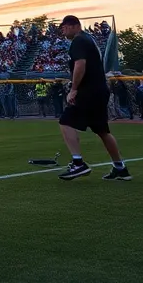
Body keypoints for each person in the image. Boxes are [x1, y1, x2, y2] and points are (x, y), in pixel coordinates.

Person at [55, 15, 130, 181]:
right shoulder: (89, 39)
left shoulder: (79, 40)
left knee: (65, 122)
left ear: (74, 26)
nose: (63, 30)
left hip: (88, 91)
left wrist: (74, 89)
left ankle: (78, 163)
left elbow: (80, 64)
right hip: (99, 90)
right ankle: (120, 167)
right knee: (102, 130)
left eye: (65, 27)